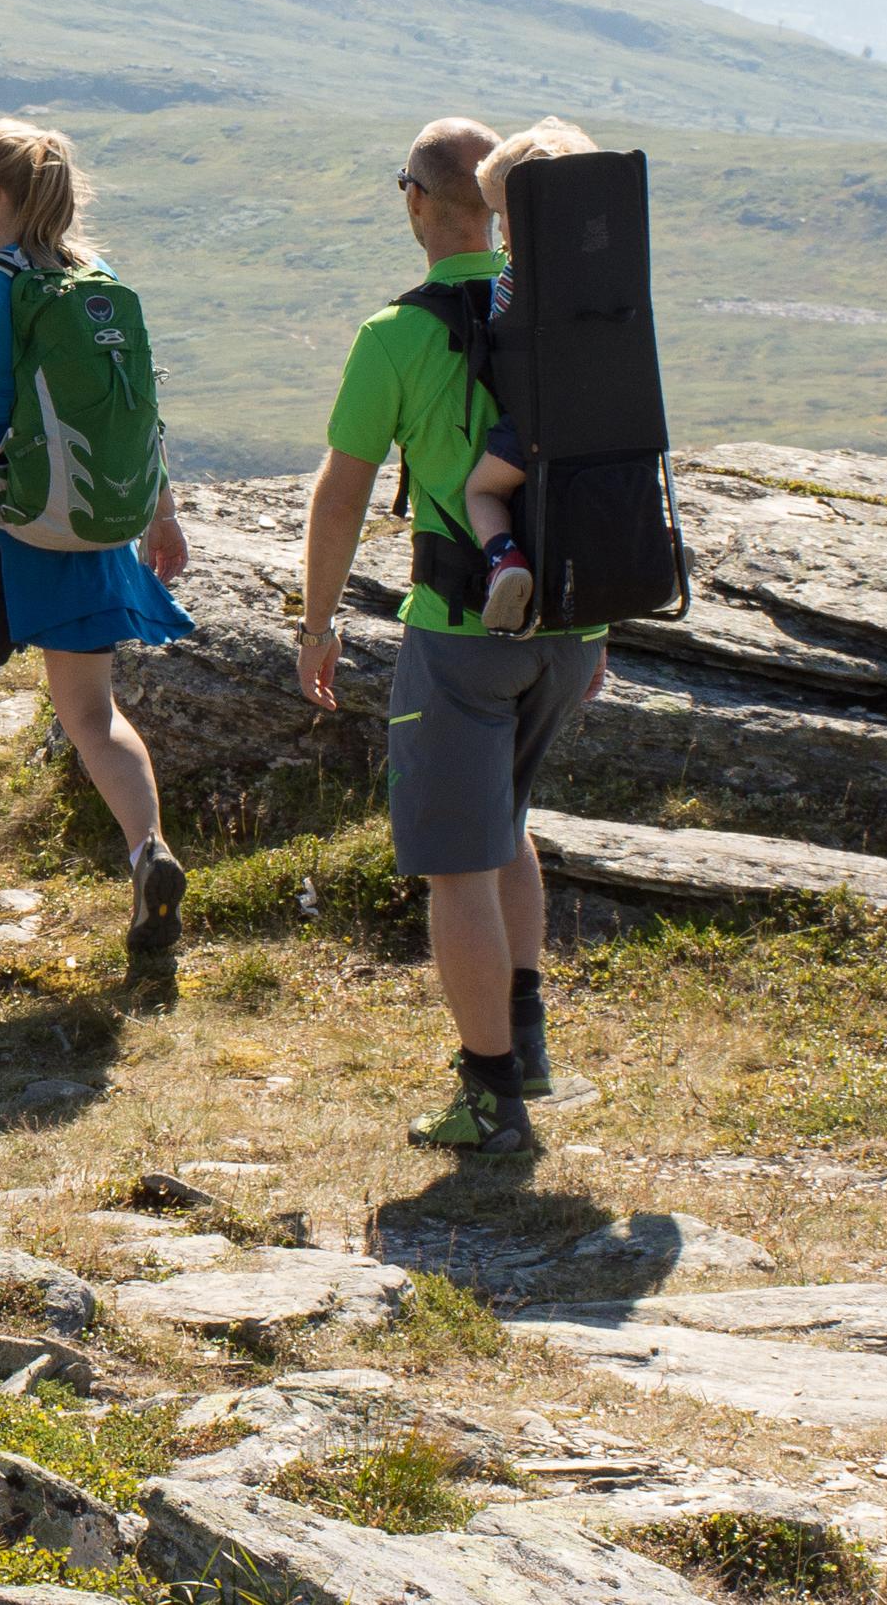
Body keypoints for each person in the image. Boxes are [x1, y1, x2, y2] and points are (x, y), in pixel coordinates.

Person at [295, 118, 608, 1158]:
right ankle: (525, 1049)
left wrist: (317, 621)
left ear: (421, 203)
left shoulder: (396, 334)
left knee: (455, 867)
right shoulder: (569, 317)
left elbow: (341, 499)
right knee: (507, 821)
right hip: (570, 624)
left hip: (460, 629)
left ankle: (488, 1098)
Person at [0, 118, 195, 960]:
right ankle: (147, 850)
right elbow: (137, 416)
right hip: (86, 530)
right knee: (92, 714)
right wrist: (160, 512)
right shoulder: (101, 281)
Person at [461, 117, 602, 634]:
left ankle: (506, 563)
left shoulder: (514, 282)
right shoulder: (612, 280)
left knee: (482, 491)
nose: (499, 228)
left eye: (502, 214)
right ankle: (647, 538)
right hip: (611, 423)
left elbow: (503, 336)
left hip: (536, 427)